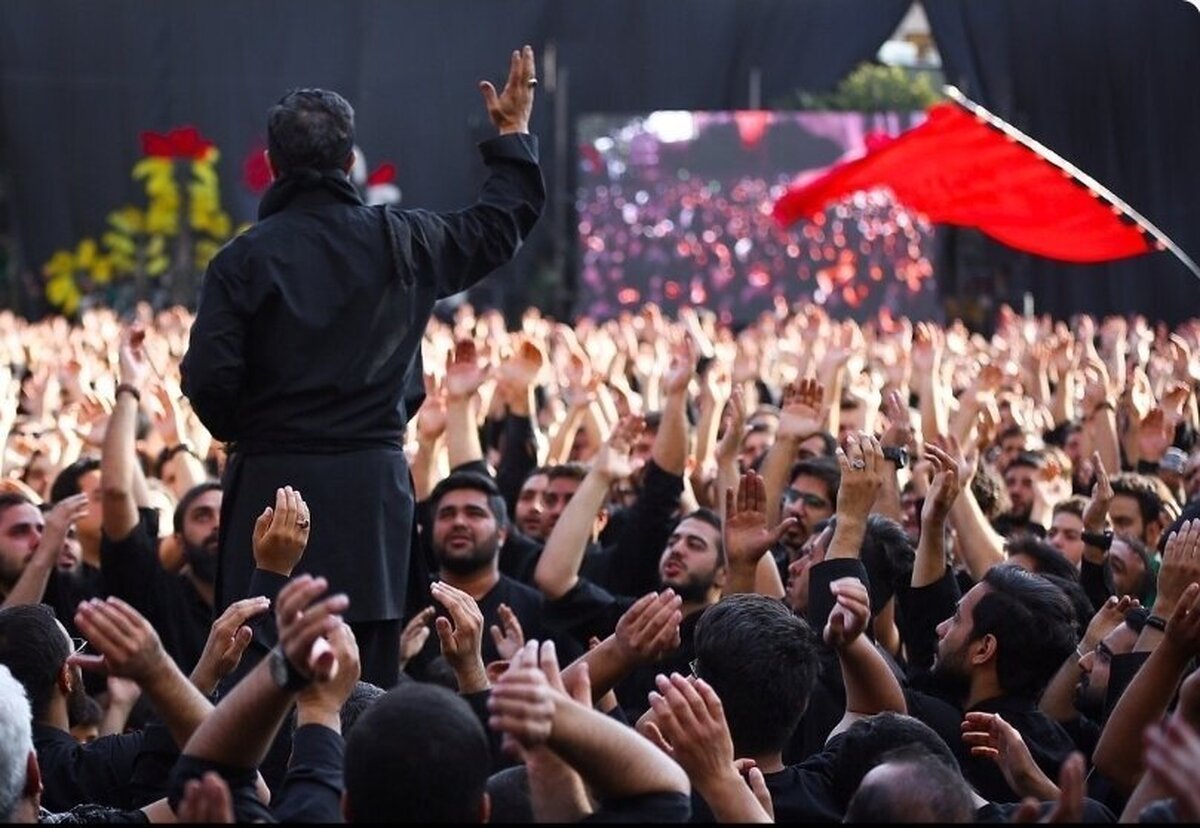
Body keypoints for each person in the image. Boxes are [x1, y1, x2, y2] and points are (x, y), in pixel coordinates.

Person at [180, 46, 546, 687]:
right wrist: (511, 136)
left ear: (271, 166)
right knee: (364, 680)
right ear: (350, 163)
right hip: (369, 501)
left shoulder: (242, 262)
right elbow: (497, 226)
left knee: (257, 667)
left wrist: (264, 428)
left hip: (271, 489)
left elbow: (209, 384)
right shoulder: (403, 240)